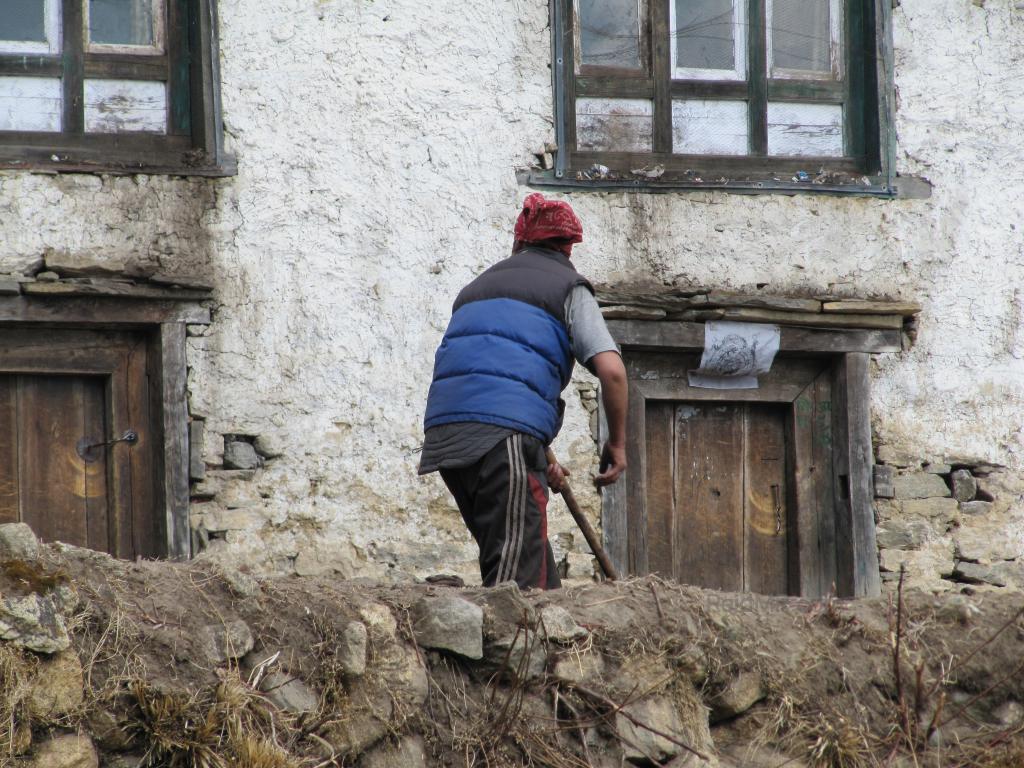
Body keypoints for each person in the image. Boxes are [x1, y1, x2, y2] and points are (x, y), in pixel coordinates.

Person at [418, 193, 628, 590]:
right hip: (504, 437)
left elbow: (494, 374)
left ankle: (549, 647)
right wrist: (617, 444)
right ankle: (512, 650)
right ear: (568, 248)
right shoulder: (568, 286)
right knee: (517, 583)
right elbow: (613, 373)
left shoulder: (475, 289)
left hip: (447, 439)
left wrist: (537, 456)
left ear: (519, 241)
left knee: (522, 557)